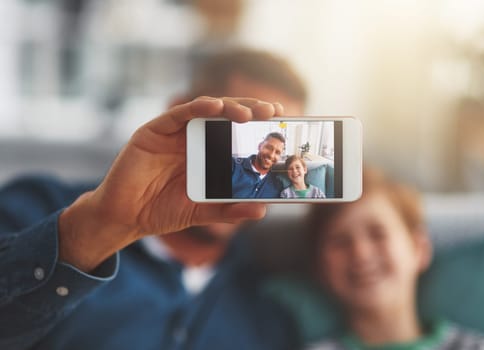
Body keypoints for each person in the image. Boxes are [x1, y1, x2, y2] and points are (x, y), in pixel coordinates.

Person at [0, 49, 307, 350]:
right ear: (181, 113)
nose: (268, 155)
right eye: (234, 133)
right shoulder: (35, 207)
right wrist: (98, 228)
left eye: (279, 149)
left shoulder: (269, 316)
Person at [305, 168, 484, 350]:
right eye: (340, 241)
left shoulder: (473, 347)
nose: (360, 253)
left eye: (378, 234)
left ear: (419, 249)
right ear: (320, 267)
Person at [232, 131, 286, 199]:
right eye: (269, 148)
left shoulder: (277, 184)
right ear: (260, 146)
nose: (271, 155)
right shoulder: (234, 166)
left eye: (277, 152)